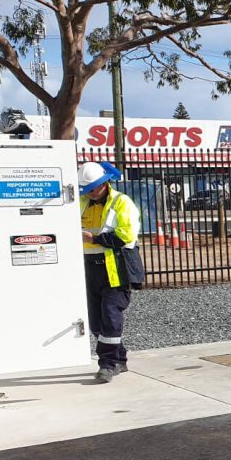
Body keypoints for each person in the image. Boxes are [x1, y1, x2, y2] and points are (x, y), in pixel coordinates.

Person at [79, 161, 144, 383]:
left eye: (93, 188)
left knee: (110, 314)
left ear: (105, 184)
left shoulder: (121, 202)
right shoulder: (82, 203)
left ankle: (108, 364)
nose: (90, 193)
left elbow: (126, 235)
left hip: (115, 267)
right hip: (90, 268)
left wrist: (94, 239)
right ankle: (120, 358)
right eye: (86, 190)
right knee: (96, 322)